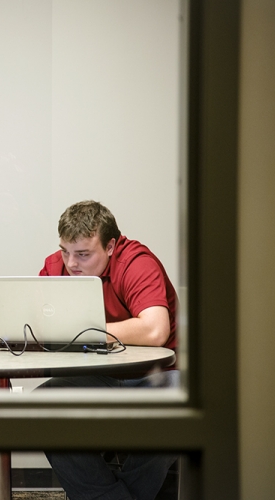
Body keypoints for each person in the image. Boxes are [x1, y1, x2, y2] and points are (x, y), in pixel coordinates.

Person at [37, 200, 179, 500]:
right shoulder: (56, 267)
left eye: (83, 254)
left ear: (111, 246)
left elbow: (155, 330)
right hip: (97, 376)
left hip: (156, 376)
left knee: (179, 401)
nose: (71, 263)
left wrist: (85, 332)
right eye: (65, 251)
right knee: (41, 407)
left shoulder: (137, 263)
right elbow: (37, 326)